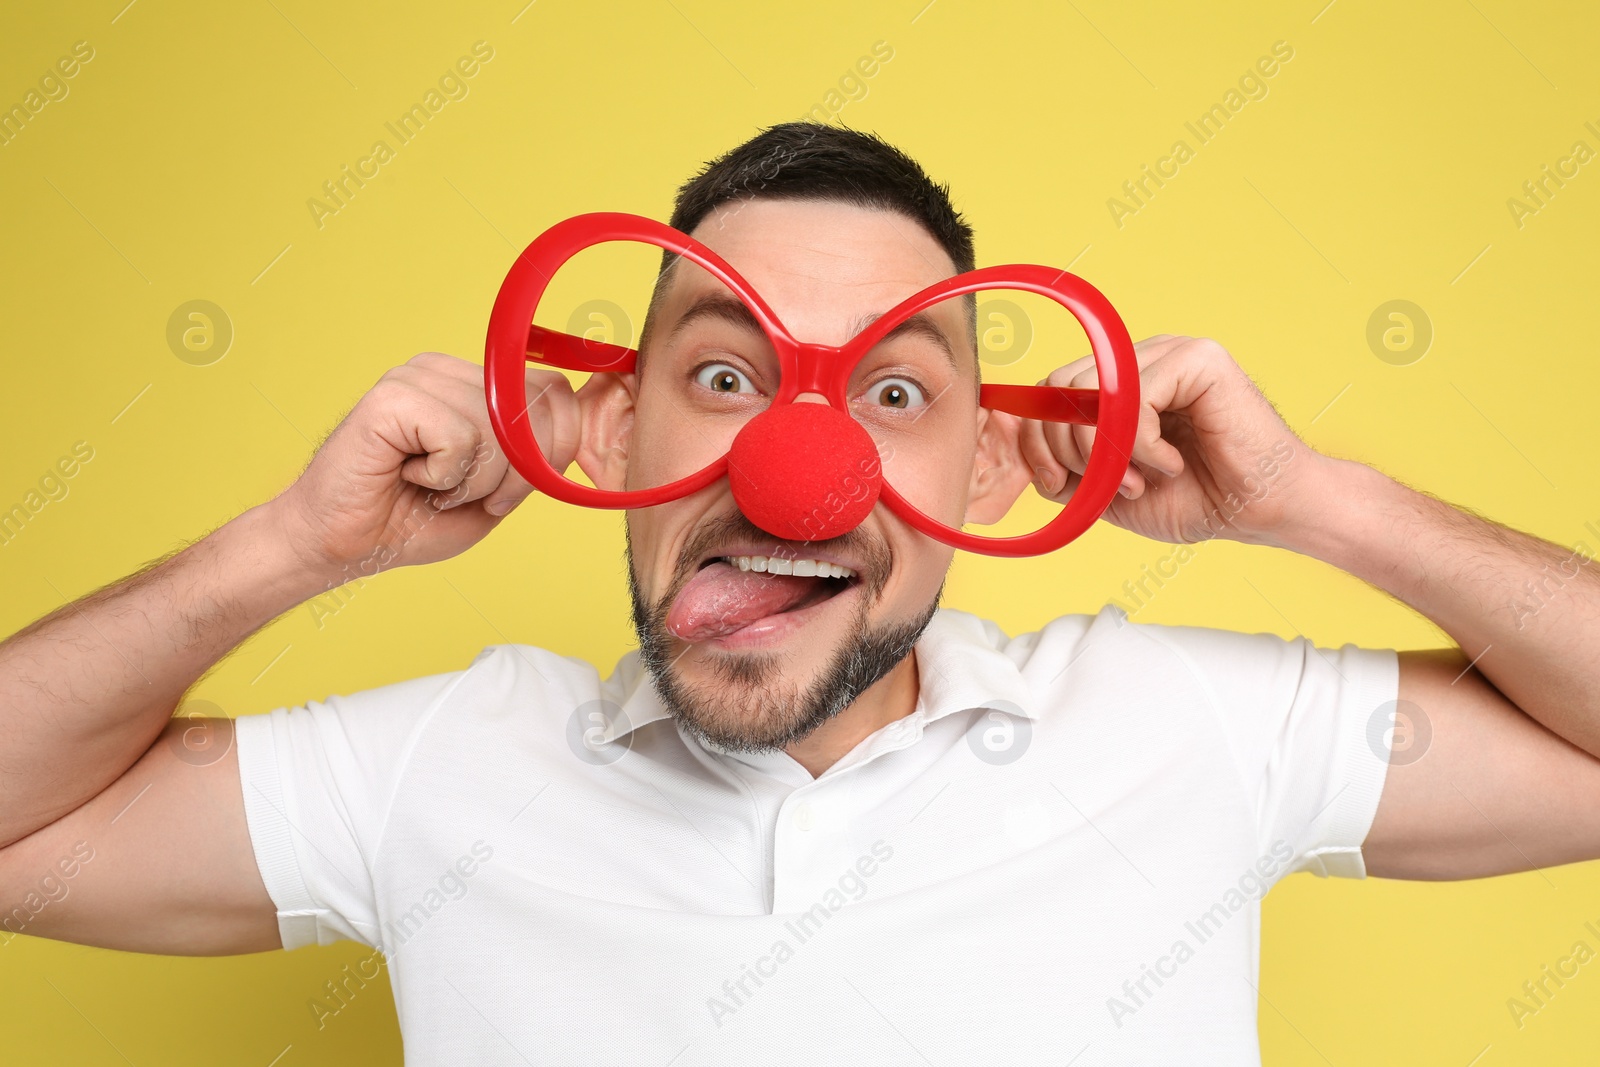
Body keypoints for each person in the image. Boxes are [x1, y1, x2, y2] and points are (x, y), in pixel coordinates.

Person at [2, 122, 1596, 1066]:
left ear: (992, 473)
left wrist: (1312, 501)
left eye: (896, 398)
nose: (796, 463)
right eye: (721, 372)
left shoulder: (1186, 725)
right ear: (612, 428)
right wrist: (299, 544)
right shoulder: (443, 768)